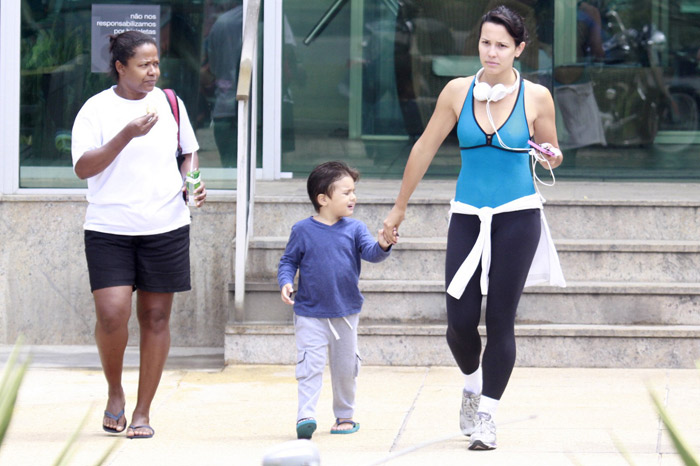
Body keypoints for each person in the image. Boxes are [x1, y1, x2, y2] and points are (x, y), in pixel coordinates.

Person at [382, 6, 565, 451]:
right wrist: (398, 208)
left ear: (520, 49)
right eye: (486, 42)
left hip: (519, 216)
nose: (492, 51)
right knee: (459, 323)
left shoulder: (537, 96)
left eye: (502, 45)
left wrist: (549, 155)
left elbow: (552, 149)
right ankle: (471, 384)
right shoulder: (457, 92)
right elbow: (425, 147)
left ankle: (487, 416)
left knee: (501, 320)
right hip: (467, 214)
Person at [71, 31, 206, 439]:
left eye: (156, 64)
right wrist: (126, 134)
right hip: (109, 228)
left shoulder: (170, 102)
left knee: (155, 316)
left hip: (165, 225)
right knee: (112, 314)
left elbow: (188, 151)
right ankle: (116, 393)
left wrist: (192, 182)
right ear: (120, 67)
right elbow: (83, 168)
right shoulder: (95, 110)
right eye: (144, 65)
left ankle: (144, 411)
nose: (153, 72)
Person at [277, 161, 392, 440]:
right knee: (309, 365)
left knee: (345, 369)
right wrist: (285, 282)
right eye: (346, 192)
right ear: (323, 199)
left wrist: (384, 244)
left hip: (345, 313)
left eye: (354, 191)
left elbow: (371, 253)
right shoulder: (302, 230)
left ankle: (344, 415)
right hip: (309, 313)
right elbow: (288, 261)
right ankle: (306, 415)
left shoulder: (354, 229)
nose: (353, 197)